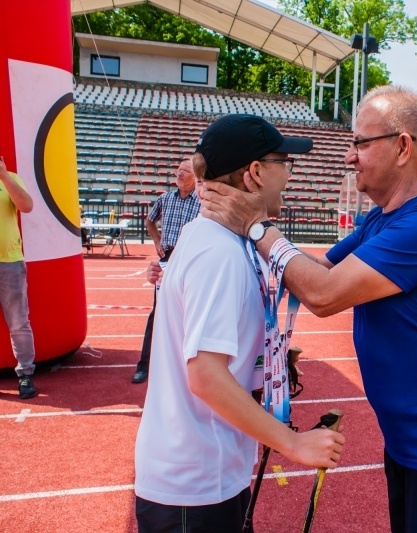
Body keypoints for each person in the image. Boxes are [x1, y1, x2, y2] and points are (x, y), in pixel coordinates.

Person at [197, 86, 417, 533]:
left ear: (402, 147)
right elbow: (312, 271)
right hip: (411, 437)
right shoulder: (383, 218)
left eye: (360, 143)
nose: (349, 157)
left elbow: (323, 293)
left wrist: (254, 224)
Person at [134, 115, 344, 532]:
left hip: (198, 476)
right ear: (254, 173)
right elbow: (205, 376)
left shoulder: (214, 238)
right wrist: (292, 443)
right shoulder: (219, 253)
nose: (288, 174)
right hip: (194, 487)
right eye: (284, 162)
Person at [131, 158, 200, 384]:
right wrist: (157, 241)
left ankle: (183, 367)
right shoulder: (165, 199)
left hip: (191, 260)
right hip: (168, 260)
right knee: (158, 312)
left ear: (196, 177)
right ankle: (145, 365)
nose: (179, 174)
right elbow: (150, 221)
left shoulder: (201, 202)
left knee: (189, 314)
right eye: (178, 170)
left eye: (185, 171)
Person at [0, 155, 36, 399]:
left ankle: (25, 374)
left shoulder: (10, 178)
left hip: (9, 263)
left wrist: (3, 175)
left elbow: (27, 206)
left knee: (18, 323)